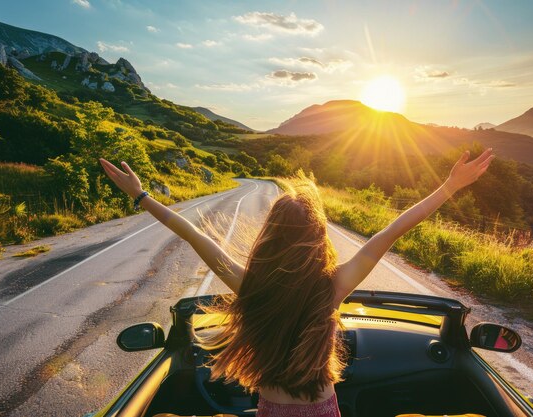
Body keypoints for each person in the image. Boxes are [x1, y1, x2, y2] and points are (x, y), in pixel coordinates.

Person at [99, 148, 494, 417]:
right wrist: (449, 187)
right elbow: (392, 231)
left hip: (270, 409)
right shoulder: (332, 288)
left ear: (270, 237)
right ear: (318, 239)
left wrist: (141, 196)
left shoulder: (252, 286)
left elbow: (192, 234)